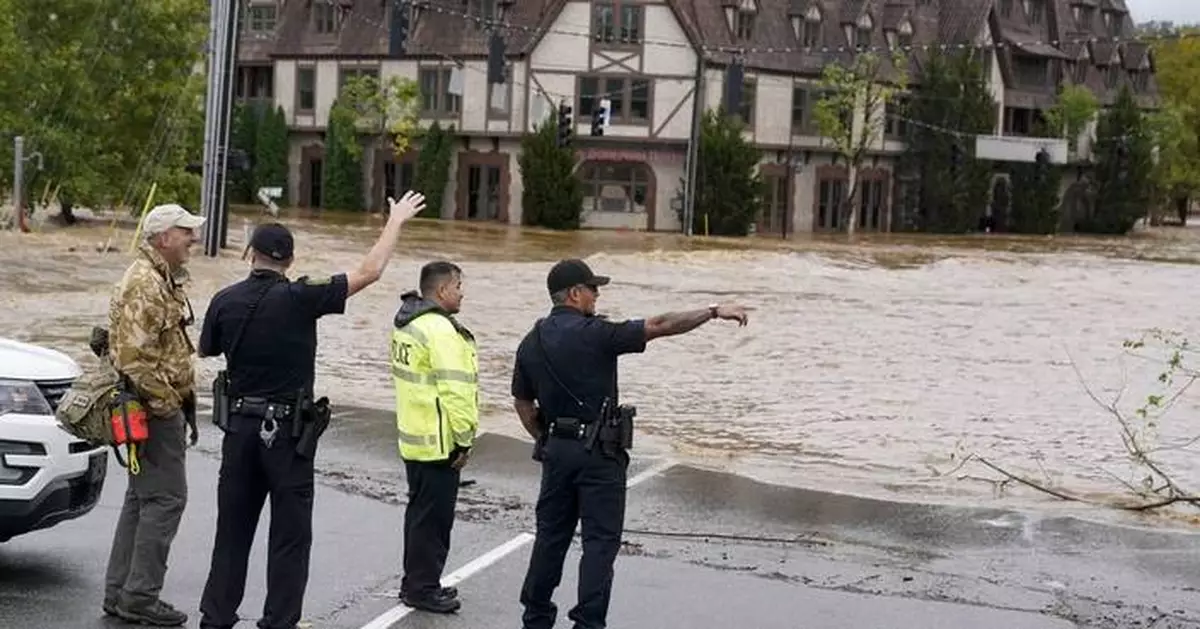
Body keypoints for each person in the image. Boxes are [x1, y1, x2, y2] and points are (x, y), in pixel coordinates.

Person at [196, 191, 427, 629]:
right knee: (290, 537)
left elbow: (207, 350)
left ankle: (216, 619)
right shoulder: (304, 296)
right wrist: (395, 220)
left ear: (250, 254)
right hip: (287, 437)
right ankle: (279, 622)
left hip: (240, 430)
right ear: (290, 260)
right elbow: (370, 272)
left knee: (232, 533)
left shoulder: (224, 300)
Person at [511, 258, 749, 629]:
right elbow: (660, 325)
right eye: (593, 288)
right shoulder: (597, 333)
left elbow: (523, 404)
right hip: (599, 455)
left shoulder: (532, 340)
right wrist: (714, 311)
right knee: (599, 544)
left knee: (550, 539)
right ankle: (588, 623)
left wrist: (546, 438)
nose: (597, 295)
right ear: (574, 294)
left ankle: (536, 616)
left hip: (556, 452)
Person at [104, 203, 206, 626]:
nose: (193, 239)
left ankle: (122, 593)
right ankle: (140, 597)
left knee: (143, 500)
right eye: (186, 232)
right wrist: (168, 407)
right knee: (165, 500)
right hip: (151, 408)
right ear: (164, 238)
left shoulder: (157, 277)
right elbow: (134, 358)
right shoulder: (146, 283)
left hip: (147, 406)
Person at [390, 261, 479, 614]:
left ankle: (415, 580)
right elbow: (457, 391)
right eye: (459, 285)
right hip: (440, 442)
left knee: (419, 515)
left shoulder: (408, 323)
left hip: (415, 437)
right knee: (434, 520)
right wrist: (464, 440)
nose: (462, 292)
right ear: (442, 290)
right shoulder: (441, 331)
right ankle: (423, 588)